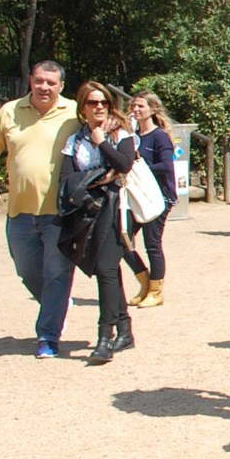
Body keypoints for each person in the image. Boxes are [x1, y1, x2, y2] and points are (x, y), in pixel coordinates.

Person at [0, 61, 80, 357]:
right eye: (39, 81)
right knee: (26, 271)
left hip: (61, 213)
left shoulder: (75, 112)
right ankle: (58, 304)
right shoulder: (10, 112)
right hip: (19, 212)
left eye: (51, 82)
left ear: (61, 86)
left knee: (57, 274)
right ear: (30, 82)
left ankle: (48, 337)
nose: (44, 87)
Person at [59, 83, 140, 364]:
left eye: (103, 102)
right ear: (83, 107)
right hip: (90, 210)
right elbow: (67, 178)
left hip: (118, 209)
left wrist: (101, 141)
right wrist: (101, 177)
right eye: (93, 102)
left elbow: (124, 164)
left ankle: (104, 337)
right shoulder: (74, 140)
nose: (99, 107)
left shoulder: (121, 132)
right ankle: (125, 329)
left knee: (105, 268)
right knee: (107, 268)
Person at [122, 91, 177, 310]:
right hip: (135, 196)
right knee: (122, 239)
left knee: (152, 243)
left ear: (152, 110)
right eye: (134, 106)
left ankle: (156, 290)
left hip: (158, 197)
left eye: (140, 106)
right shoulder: (132, 135)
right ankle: (144, 281)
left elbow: (166, 166)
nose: (136, 110)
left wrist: (140, 167)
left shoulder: (159, 136)